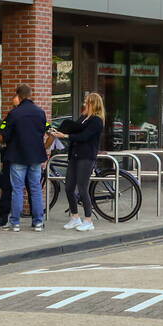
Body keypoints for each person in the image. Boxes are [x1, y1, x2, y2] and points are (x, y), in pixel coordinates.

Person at [51, 92, 105, 232]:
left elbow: (84, 136)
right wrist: (61, 132)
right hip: (75, 156)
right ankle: (75, 217)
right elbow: (76, 130)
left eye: (87, 102)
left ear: (93, 104)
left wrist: (66, 135)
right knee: (69, 187)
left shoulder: (96, 121)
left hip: (86, 157)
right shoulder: (83, 118)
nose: (84, 104)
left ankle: (88, 220)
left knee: (82, 188)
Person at [1, 85, 48, 232]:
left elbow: (6, 136)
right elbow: (42, 132)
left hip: (18, 155)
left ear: (19, 96)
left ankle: (15, 223)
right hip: (35, 156)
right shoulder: (40, 113)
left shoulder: (14, 113)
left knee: (17, 189)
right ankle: (38, 222)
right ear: (30, 95)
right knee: (35, 189)